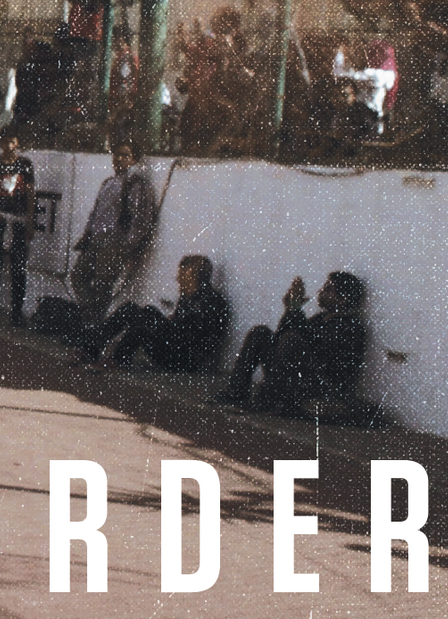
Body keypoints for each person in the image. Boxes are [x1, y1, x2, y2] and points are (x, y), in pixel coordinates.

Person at [215, 272, 376, 422]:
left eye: (328, 289)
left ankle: (266, 400)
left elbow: (313, 348)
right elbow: (282, 337)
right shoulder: (322, 318)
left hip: (321, 385)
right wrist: (290, 309)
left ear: (343, 299)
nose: (321, 292)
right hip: (296, 376)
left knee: (291, 340)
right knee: (261, 333)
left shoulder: (350, 327)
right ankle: (236, 391)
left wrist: (295, 311)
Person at [77, 254, 232, 373]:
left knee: (142, 322)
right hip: (176, 344)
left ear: (193, 277)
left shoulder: (212, 302)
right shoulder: (187, 296)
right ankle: (91, 348)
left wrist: (162, 327)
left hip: (188, 359)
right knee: (139, 310)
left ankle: (118, 359)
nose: (178, 279)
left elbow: (198, 340)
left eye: (183, 275)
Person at [68, 142, 158, 328]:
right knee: (78, 276)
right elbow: (96, 213)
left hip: (114, 245)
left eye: (125, 156)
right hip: (95, 242)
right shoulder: (109, 183)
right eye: (117, 155)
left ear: (134, 160)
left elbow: (140, 220)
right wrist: (87, 236)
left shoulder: (136, 185)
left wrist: (127, 247)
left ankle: (94, 329)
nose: (119, 159)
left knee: (102, 287)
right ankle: (90, 321)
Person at [0, 131, 36, 325]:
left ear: (17, 143)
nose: (8, 145)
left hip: (18, 220)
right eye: (5, 141)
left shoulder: (25, 164)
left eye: (12, 141)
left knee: (18, 268)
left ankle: (16, 313)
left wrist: (30, 220)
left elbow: (30, 193)